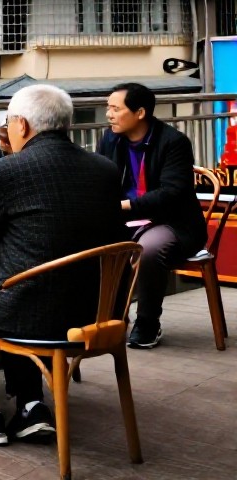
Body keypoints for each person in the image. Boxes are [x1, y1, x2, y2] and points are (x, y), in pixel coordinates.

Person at [0, 84, 126, 446]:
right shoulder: (103, 169)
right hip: (95, 313)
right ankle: (32, 407)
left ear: (21, 124)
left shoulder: (7, 171)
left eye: (8, 122)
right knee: (19, 290)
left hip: (32, 312)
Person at [98, 82, 205, 349]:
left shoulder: (173, 142)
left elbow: (172, 193)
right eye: (107, 108)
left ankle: (147, 322)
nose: (108, 115)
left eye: (115, 109)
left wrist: (123, 206)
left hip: (171, 222)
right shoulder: (111, 139)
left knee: (147, 249)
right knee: (87, 240)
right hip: (126, 219)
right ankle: (108, 319)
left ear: (140, 113)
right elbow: (99, 179)